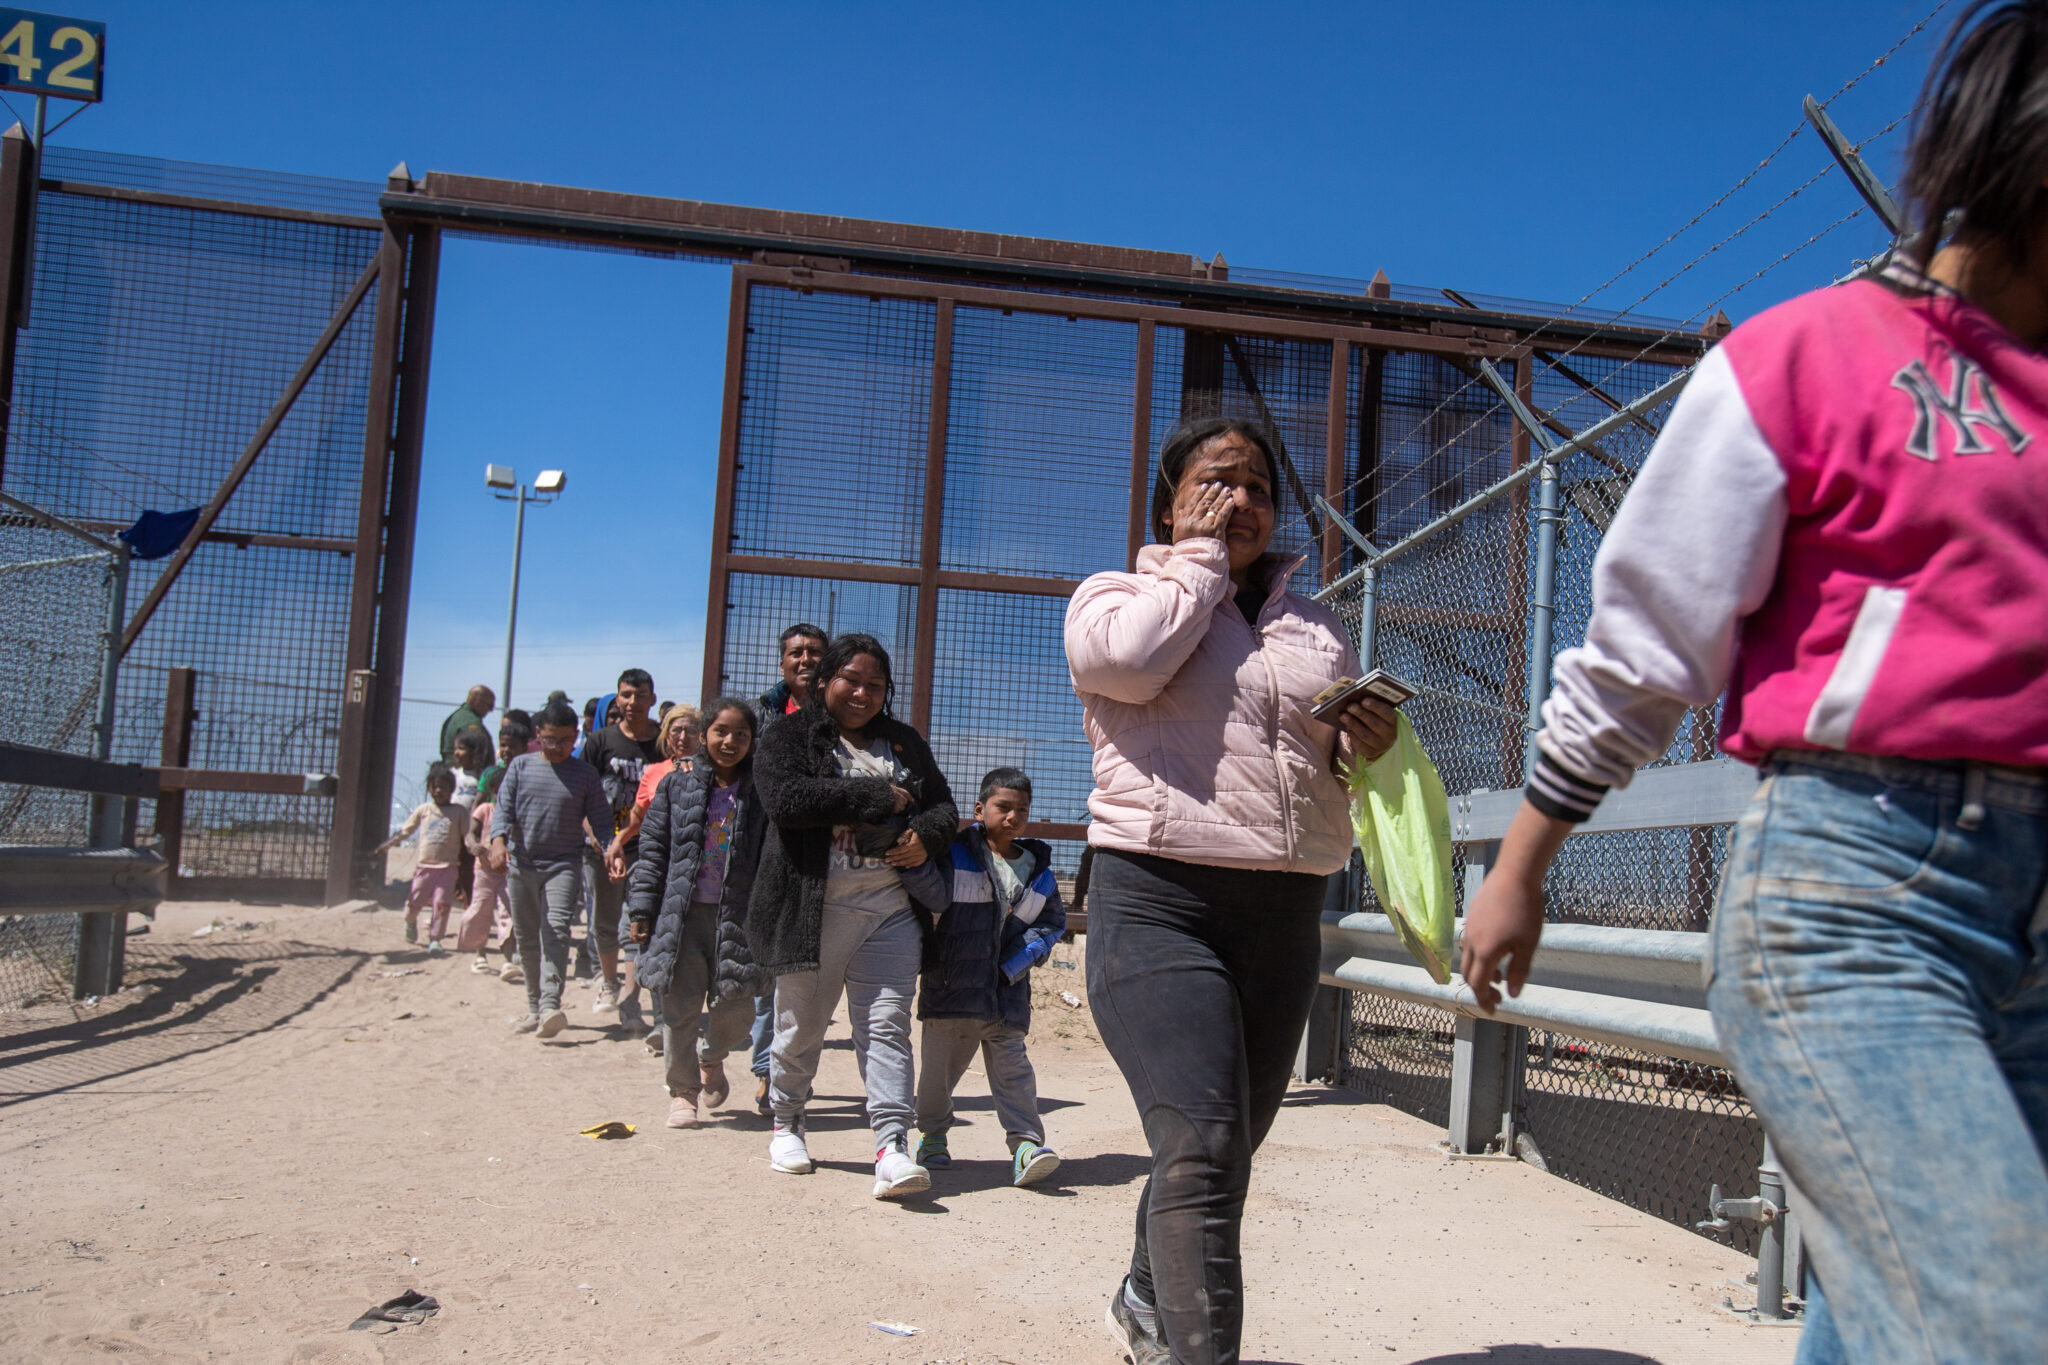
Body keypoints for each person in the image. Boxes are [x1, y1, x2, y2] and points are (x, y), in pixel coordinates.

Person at [1460, 10, 2048, 1361]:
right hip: (1865, 896)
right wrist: (1523, 867)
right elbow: (1644, 646)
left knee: (1889, 1302)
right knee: (1998, 1314)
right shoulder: (1806, 356)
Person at [1065, 416, 1396, 1364]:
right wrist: (1197, 564)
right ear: (1169, 504)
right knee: (1204, 1147)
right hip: (1158, 900)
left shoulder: (1316, 626)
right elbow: (1127, 665)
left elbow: (1314, 769)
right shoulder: (1115, 596)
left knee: (1220, 1152)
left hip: (1283, 913)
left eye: (1256, 486)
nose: (1240, 501)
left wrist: (1360, 746)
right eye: (1214, 484)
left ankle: (1142, 1293)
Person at [749, 632, 958, 1200]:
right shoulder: (790, 736)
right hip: (809, 912)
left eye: (875, 684)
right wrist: (875, 798)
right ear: (824, 683)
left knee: (887, 1027)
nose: (862, 693)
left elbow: (944, 806)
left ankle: (892, 1145)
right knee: (800, 1027)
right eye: (851, 680)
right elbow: (786, 802)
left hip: (888, 912)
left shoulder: (905, 743)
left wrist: (924, 837)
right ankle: (788, 1120)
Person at [914, 766, 1067, 1187]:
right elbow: (925, 903)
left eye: (1021, 809)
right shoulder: (952, 854)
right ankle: (931, 1136)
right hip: (952, 991)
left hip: (1005, 994)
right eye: (1003, 807)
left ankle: (1025, 1146)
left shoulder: (1040, 872)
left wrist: (1013, 965)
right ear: (980, 809)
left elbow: (1051, 924)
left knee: (1014, 1073)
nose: (1012, 816)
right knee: (937, 1076)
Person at [627, 698, 770, 1129]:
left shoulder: (761, 791)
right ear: (704, 735)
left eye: (741, 734)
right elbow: (652, 851)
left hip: (739, 918)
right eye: (721, 732)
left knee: (738, 1011)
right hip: (682, 916)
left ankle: (713, 1055)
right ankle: (683, 1092)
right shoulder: (677, 786)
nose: (730, 742)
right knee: (680, 1008)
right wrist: (642, 908)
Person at [491, 699, 612, 1041]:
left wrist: (610, 848)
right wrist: (498, 842)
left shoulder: (585, 775)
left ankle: (549, 1005)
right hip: (522, 865)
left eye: (565, 740)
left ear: (576, 736)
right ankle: (533, 1007)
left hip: (563, 865)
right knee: (527, 937)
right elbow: (503, 811)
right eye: (549, 740)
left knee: (556, 929)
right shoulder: (520, 767)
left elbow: (601, 821)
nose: (558, 747)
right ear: (538, 736)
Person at [747, 622, 829, 1113]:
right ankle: (766, 1072)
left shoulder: (846, 716)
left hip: (818, 859)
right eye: (796, 653)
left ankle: (782, 1074)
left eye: (815, 652)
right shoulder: (762, 718)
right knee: (769, 969)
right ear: (782, 663)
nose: (805, 660)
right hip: (763, 852)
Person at [582, 669, 662, 1029]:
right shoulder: (600, 741)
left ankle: (631, 1002)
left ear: (652, 700)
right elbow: (581, 793)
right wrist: (599, 841)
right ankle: (608, 982)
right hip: (601, 846)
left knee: (637, 922)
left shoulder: (660, 743)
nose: (632, 702)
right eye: (625, 695)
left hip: (645, 848)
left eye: (639, 695)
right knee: (603, 922)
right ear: (617, 699)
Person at [375, 761, 471, 955]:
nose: (438, 791)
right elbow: (405, 831)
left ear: (452, 789)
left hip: (448, 868)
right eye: (434, 787)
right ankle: (410, 922)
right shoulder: (424, 810)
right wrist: (387, 845)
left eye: (443, 788)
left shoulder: (458, 812)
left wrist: (477, 847)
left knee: (442, 905)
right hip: (425, 867)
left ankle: (435, 939)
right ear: (429, 788)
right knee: (415, 901)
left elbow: (467, 835)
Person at [606, 704, 702, 879]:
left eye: (691, 730)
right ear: (666, 736)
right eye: (676, 731)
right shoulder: (653, 772)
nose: (683, 737)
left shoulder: (710, 772)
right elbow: (638, 814)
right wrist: (618, 842)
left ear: (702, 736)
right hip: (658, 859)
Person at [457, 766, 517, 977]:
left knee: (509, 912)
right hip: (484, 870)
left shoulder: (516, 813)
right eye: (498, 791)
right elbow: (471, 834)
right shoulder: (484, 810)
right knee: (480, 911)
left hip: (507, 872)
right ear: (492, 791)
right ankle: (480, 954)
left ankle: (509, 959)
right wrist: (473, 845)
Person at [439, 685, 495, 764]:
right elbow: (477, 751)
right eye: (490, 706)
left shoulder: (458, 716)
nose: (491, 710)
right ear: (477, 703)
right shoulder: (471, 721)